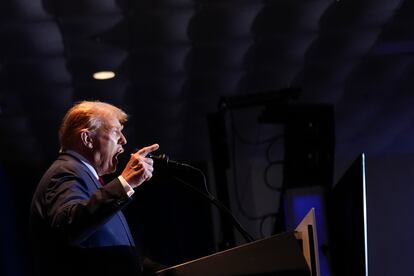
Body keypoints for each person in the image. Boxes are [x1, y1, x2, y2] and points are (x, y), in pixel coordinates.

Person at [30, 101, 160, 276]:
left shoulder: (89, 178)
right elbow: (70, 225)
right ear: (87, 139)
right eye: (116, 132)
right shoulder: (65, 171)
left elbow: (102, 245)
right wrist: (124, 182)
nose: (124, 140)